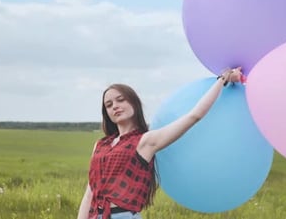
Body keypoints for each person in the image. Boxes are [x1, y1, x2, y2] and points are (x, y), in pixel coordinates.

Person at [77, 67, 243, 219]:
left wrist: (223, 80)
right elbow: (90, 192)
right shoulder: (100, 145)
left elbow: (194, 115)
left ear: (133, 103)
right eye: (109, 105)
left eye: (121, 100)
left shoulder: (145, 141)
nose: (115, 106)